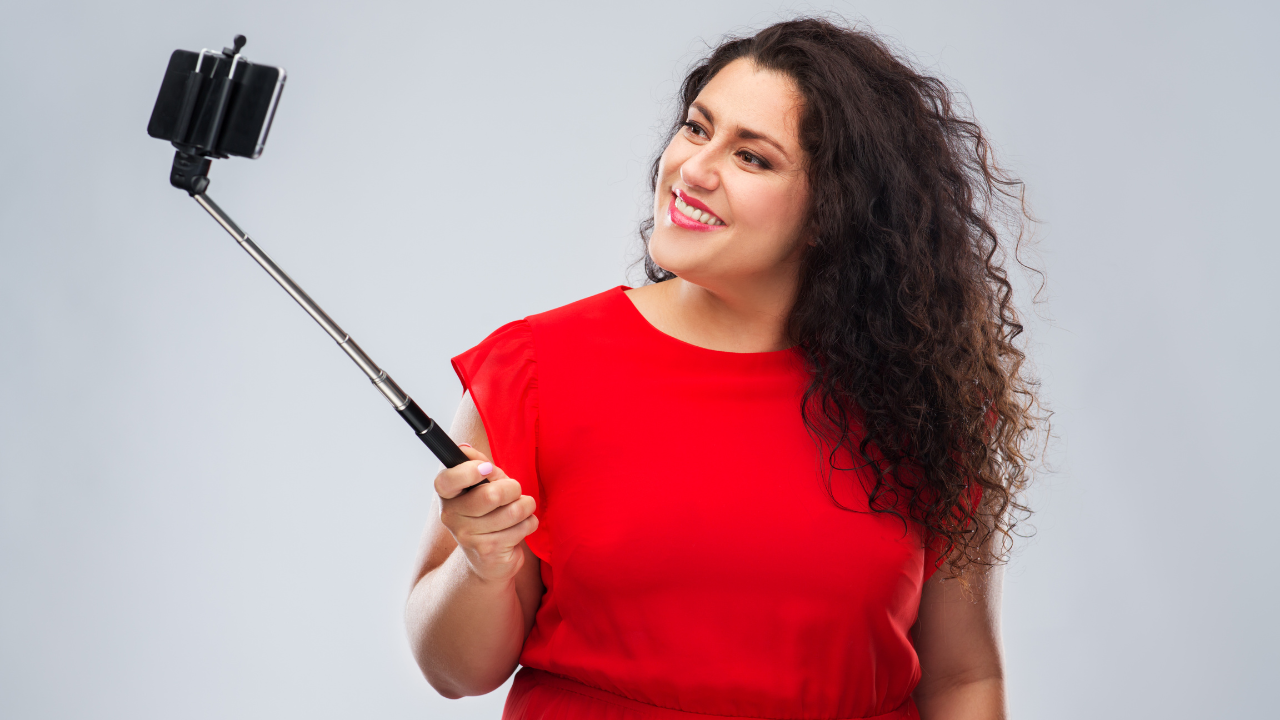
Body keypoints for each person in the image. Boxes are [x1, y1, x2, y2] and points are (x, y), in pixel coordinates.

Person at [405, 17, 1041, 720]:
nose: (694, 170)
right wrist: (480, 566)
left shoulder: (925, 399)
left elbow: (963, 678)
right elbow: (454, 672)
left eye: (753, 158)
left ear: (836, 211)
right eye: (697, 128)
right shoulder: (533, 367)